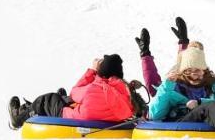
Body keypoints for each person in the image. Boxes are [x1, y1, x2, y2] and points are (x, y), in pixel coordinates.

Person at [8, 54, 138, 129]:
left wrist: (92, 71)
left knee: (47, 100)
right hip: (103, 119)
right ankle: (62, 99)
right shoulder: (125, 91)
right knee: (65, 99)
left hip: (74, 118)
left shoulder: (95, 87)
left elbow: (75, 92)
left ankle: (18, 118)